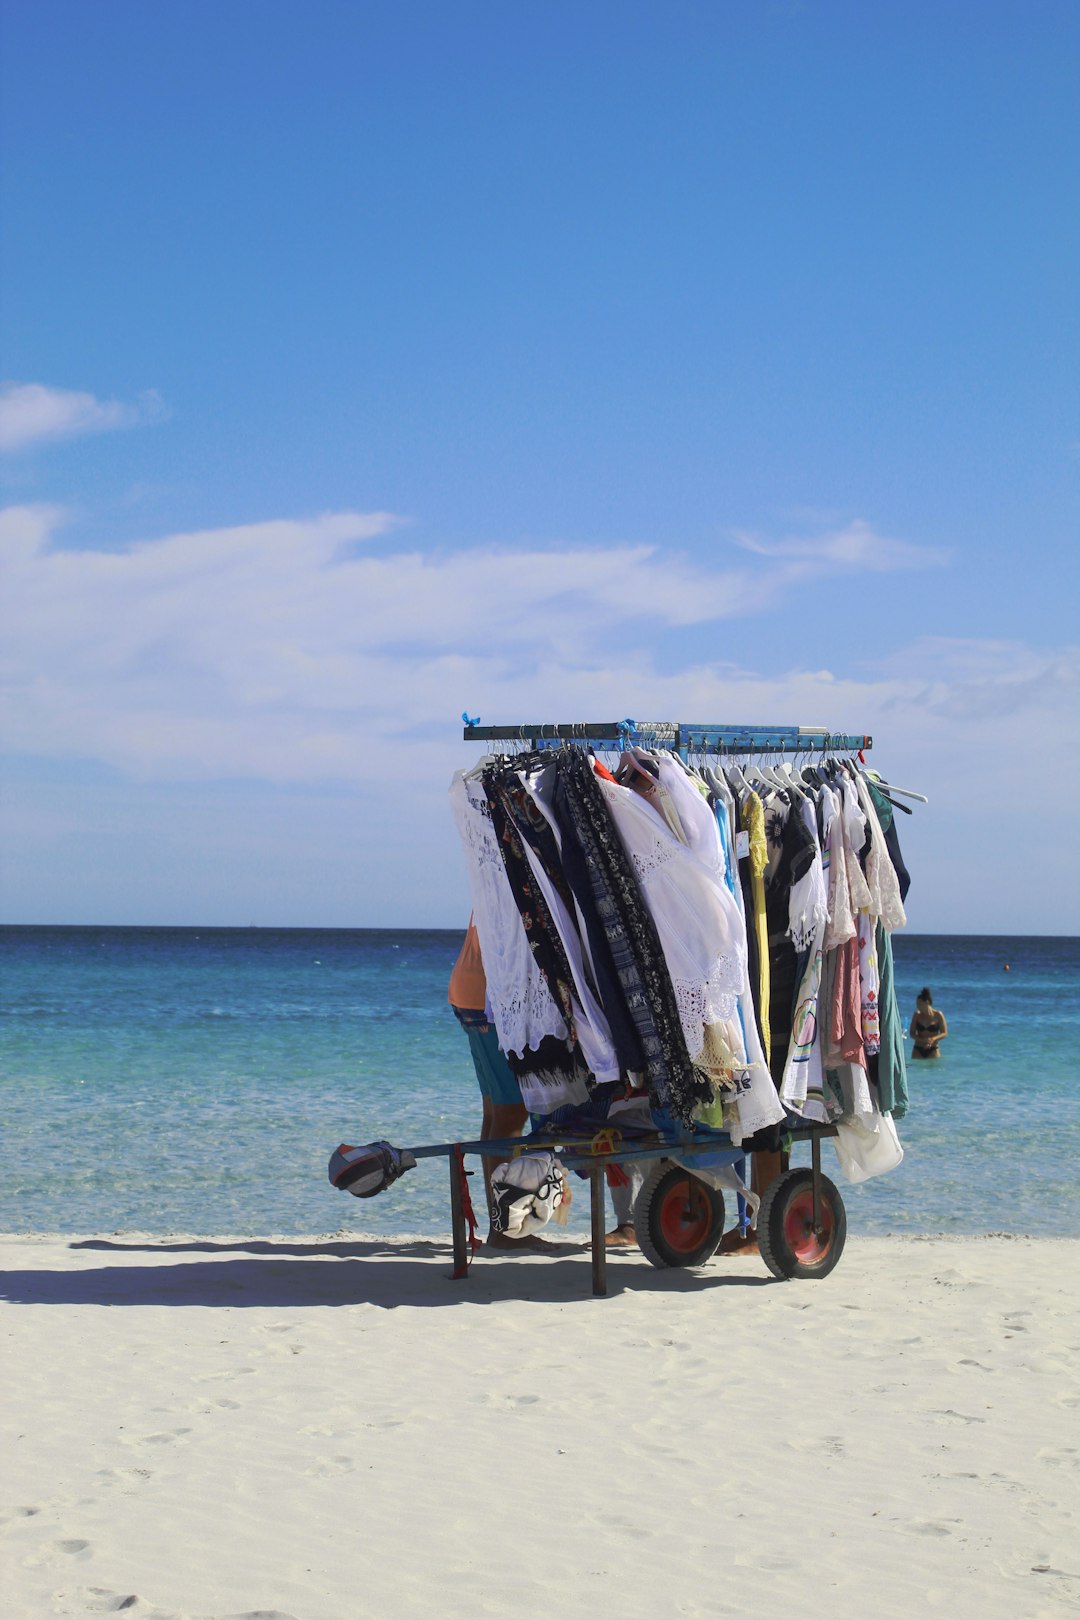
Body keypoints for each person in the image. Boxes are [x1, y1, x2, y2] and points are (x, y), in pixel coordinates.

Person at [448, 919, 556, 1251]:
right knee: (510, 1117)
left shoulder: (495, 867)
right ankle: (505, 1230)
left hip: (468, 991)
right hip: (490, 998)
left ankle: (500, 1223)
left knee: (495, 1114)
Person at [909, 986, 948, 1059]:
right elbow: (912, 1033)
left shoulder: (938, 1015)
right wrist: (923, 1040)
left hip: (933, 1048)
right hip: (918, 1048)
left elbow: (944, 1033)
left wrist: (932, 1039)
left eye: (920, 1004)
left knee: (935, 1070)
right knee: (916, 1069)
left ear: (927, 1003)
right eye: (917, 1004)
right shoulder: (917, 1015)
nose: (918, 1007)